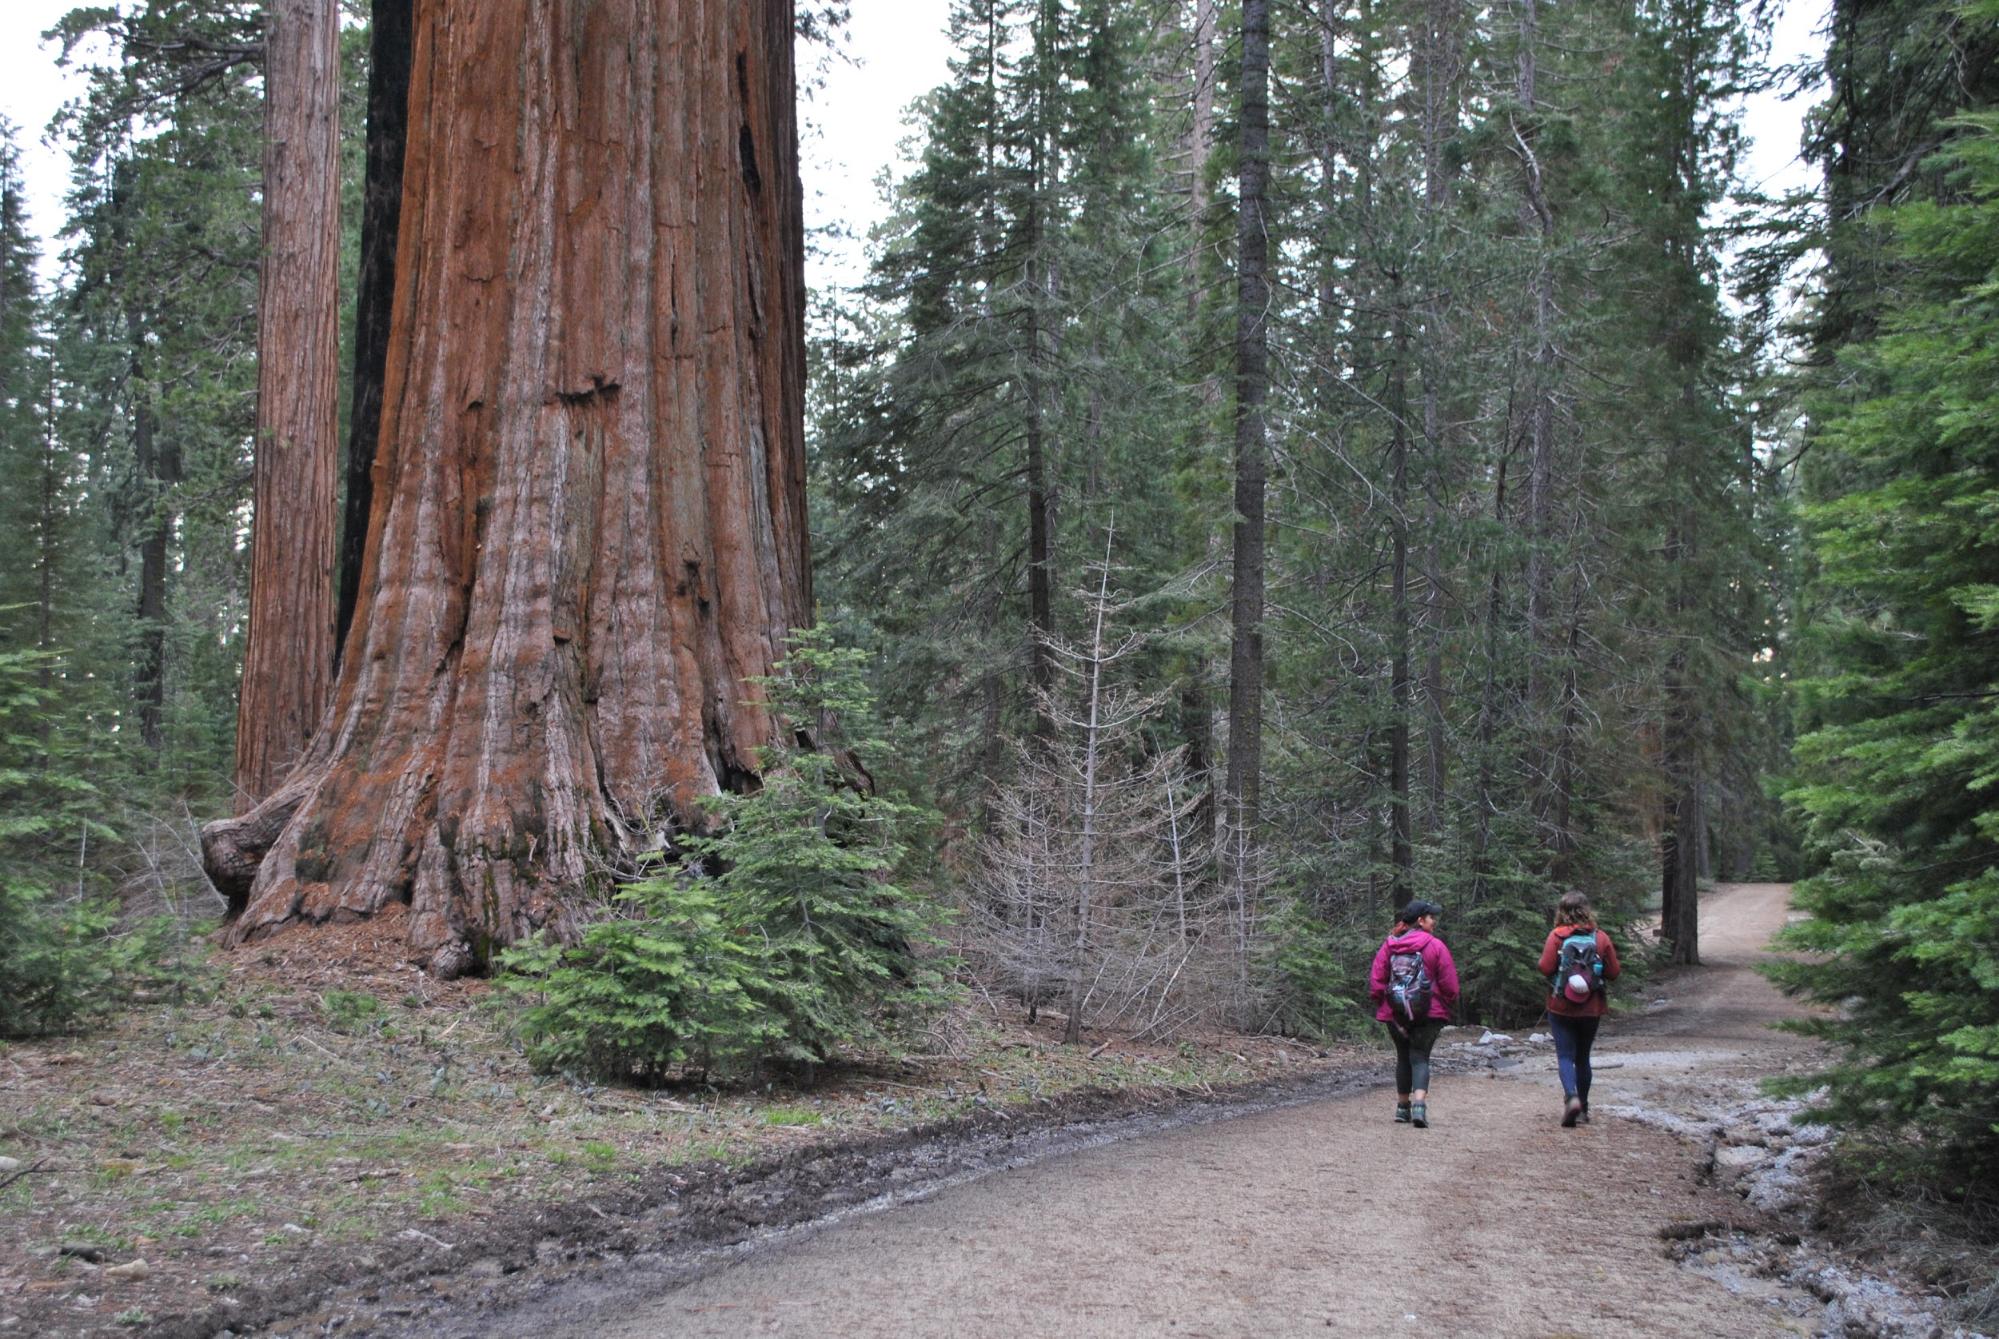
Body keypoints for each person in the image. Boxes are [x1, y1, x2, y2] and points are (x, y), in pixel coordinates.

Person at [1368, 899, 1459, 1129]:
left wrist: (1385, 1004)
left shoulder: (1389, 945)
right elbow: (1450, 986)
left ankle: (1402, 1108)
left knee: (1402, 1057)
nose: (1434, 921)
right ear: (1421, 920)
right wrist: (1444, 1004)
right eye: (1431, 917)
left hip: (1395, 1013)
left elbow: (1377, 981)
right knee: (1420, 1057)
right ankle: (1419, 1106)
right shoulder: (1436, 946)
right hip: (1428, 1013)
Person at [1537, 890, 1621, 1128]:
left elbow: (1544, 967)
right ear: (1587, 910)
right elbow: (1614, 972)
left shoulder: (1556, 936)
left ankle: (1570, 1097)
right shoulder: (1600, 937)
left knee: (1565, 1055)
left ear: (1561, 912)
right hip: (1591, 1007)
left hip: (1561, 1006)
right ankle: (1583, 1107)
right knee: (1583, 1058)